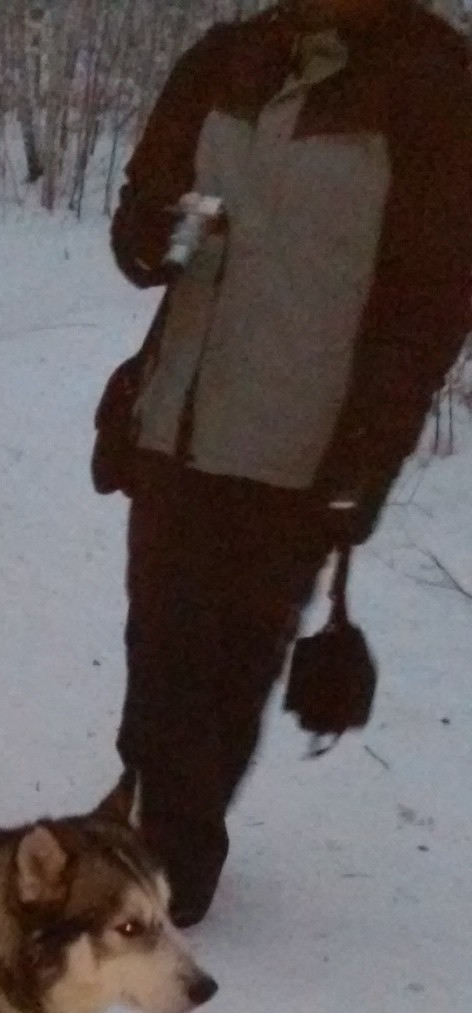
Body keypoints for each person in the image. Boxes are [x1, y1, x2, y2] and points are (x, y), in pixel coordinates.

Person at [102, 0, 472, 927]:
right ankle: (141, 807)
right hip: (178, 416)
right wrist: (152, 234)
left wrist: (367, 458)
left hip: (301, 442)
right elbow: (139, 219)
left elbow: (434, 301)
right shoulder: (227, 59)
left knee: (233, 650)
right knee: (158, 631)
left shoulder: (435, 86)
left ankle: (175, 856)